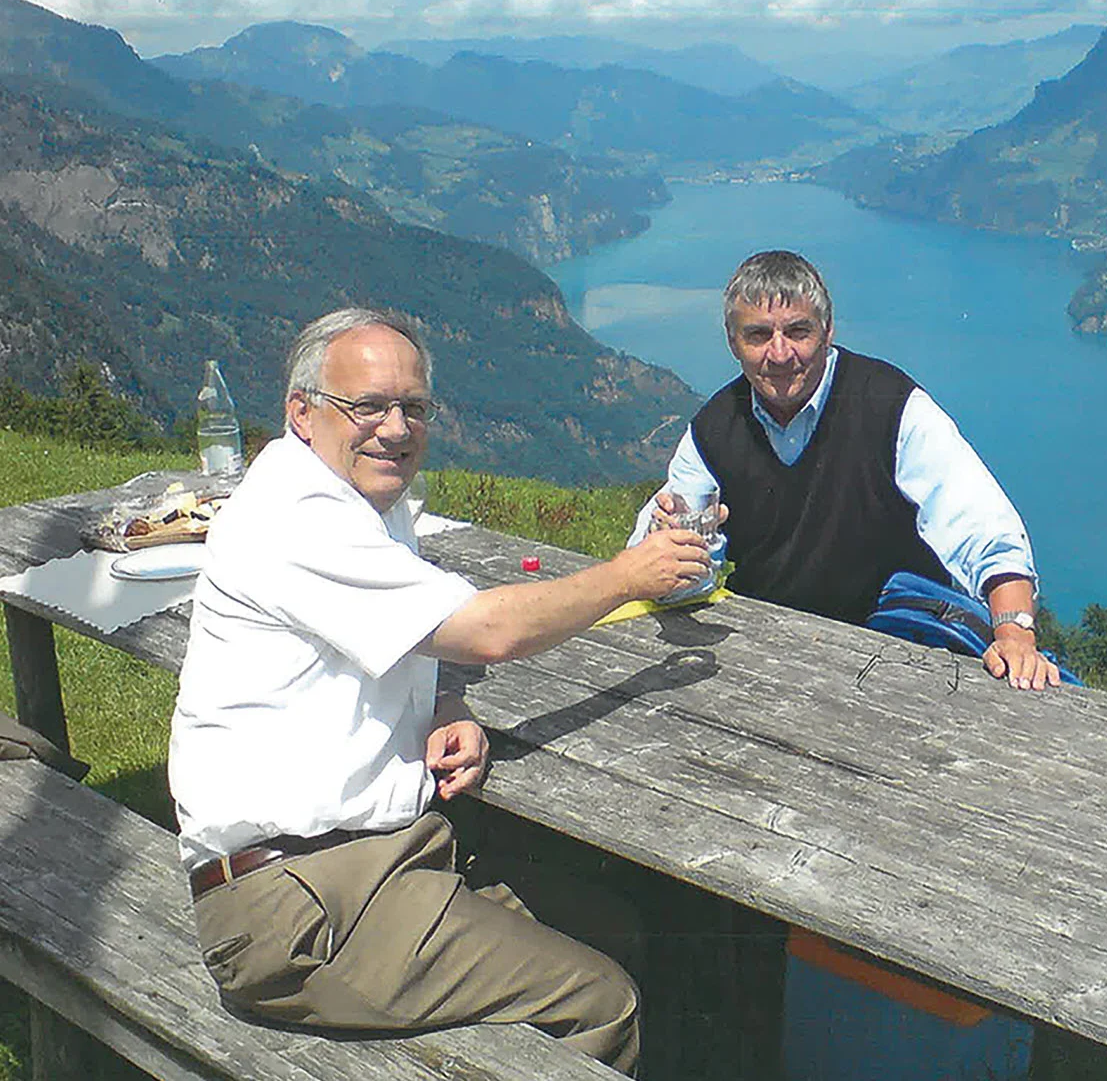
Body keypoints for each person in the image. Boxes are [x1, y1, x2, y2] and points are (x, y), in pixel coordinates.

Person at [169, 308, 712, 1074]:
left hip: (368, 862)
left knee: (616, 923)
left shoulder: (358, 501)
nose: (395, 428)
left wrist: (447, 703)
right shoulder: (296, 515)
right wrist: (630, 574)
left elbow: (422, 629)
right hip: (299, 906)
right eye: (368, 406)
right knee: (602, 1003)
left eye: (413, 408)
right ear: (301, 413)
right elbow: (487, 629)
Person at [630, 250, 1060, 690]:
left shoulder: (891, 408)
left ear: (828, 330)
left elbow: (982, 525)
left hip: (902, 657)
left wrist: (1014, 635)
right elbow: (668, 572)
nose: (779, 354)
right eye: (758, 335)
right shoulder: (713, 431)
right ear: (732, 341)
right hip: (769, 658)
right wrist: (674, 552)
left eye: (798, 331)